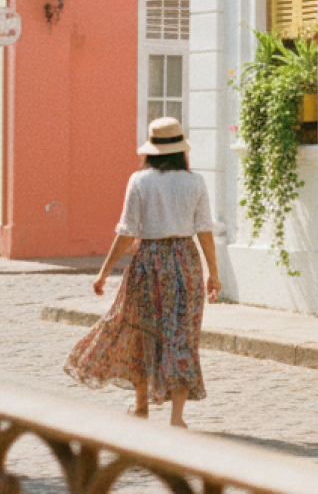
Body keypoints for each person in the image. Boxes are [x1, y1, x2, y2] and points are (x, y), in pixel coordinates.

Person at [64, 117, 222, 428]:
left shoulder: (139, 181)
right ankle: (177, 418)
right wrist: (213, 274)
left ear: (151, 150)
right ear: (181, 150)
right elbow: (204, 231)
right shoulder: (195, 182)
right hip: (185, 263)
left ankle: (140, 407)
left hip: (149, 262)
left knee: (140, 332)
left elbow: (126, 232)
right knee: (182, 336)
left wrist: (104, 272)